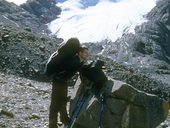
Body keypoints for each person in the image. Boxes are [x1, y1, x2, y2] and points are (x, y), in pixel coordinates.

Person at [48, 38, 89, 128]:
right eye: (85, 53)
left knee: (63, 101)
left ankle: (64, 119)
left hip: (62, 82)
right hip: (58, 81)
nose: (87, 55)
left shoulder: (78, 61)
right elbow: (79, 70)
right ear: (80, 53)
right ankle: (52, 125)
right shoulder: (74, 61)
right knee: (55, 104)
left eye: (87, 53)